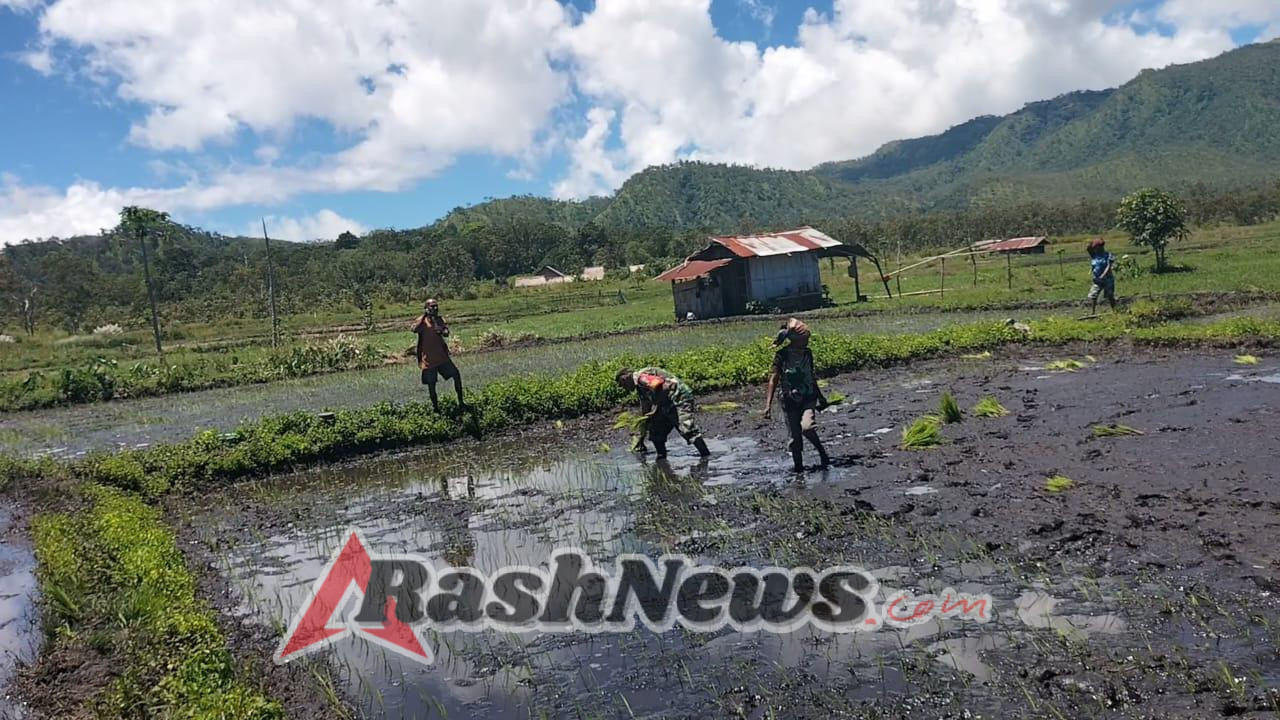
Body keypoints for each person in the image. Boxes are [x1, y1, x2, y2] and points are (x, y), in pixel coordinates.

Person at [763, 318, 830, 472]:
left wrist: (820, 397)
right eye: (804, 339)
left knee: (807, 427)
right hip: (789, 400)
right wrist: (768, 405)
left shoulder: (807, 354)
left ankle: (821, 451)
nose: (806, 342)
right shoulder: (782, 355)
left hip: (808, 397)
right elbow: (773, 379)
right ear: (794, 340)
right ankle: (799, 470)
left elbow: (810, 376)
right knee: (794, 439)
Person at [616, 366, 711, 458]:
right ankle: (661, 457)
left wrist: (657, 409)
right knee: (655, 431)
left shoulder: (642, 378)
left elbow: (663, 387)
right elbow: (645, 406)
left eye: (622, 385)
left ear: (625, 378)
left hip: (678, 397)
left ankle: (705, 455)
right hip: (665, 402)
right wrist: (643, 426)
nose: (624, 388)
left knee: (686, 428)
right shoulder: (640, 388)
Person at [412, 298, 465, 413]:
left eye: (436, 306)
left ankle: (461, 402)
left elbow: (446, 333)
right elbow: (414, 330)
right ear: (426, 308)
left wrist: (440, 328)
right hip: (429, 360)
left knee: (456, 375)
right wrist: (424, 316)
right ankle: (436, 409)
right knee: (432, 386)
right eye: (432, 307)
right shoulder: (422, 321)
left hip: (442, 357)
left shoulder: (440, 320)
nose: (435, 309)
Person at [1086, 237, 1117, 313]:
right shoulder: (1095, 257)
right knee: (1093, 295)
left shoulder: (1107, 255)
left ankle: (1115, 310)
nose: (1095, 250)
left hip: (1107, 279)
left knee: (1110, 296)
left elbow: (1108, 266)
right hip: (1097, 280)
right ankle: (1092, 312)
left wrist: (1102, 275)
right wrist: (1091, 271)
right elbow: (1094, 266)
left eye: (1097, 248)